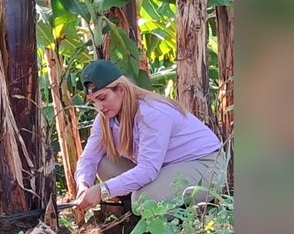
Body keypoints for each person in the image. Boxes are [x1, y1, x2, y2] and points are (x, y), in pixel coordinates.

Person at [73, 59, 227, 214]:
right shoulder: (104, 119)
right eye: (93, 102)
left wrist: (102, 190)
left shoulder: (151, 113)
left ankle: (168, 220)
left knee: (143, 199)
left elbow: (147, 169)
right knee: (104, 164)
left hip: (204, 165)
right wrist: (83, 186)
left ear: (121, 89)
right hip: (164, 167)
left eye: (102, 98)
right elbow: (89, 158)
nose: (99, 107)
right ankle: (140, 214)